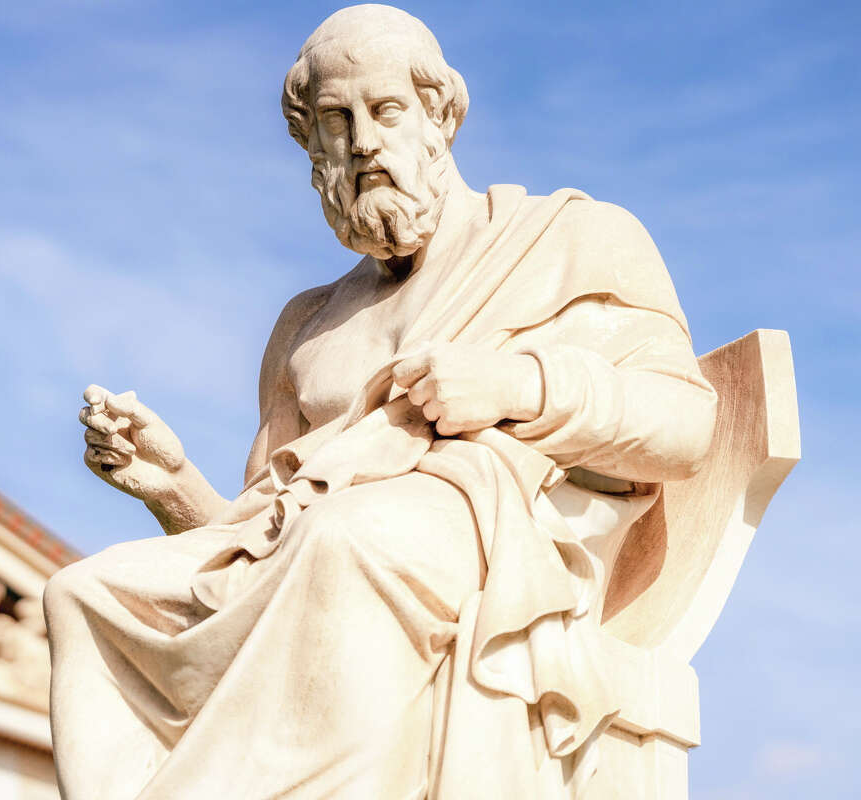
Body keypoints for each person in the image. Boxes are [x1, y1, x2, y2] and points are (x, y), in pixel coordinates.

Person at [45, 5, 717, 798]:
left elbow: (684, 425)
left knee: (344, 542)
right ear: (312, 147)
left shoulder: (569, 240)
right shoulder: (306, 324)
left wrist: (516, 384)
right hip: (334, 537)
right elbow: (261, 534)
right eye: (335, 120)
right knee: (86, 593)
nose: (363, 142)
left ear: (440, 117)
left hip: (487, 525)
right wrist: (175, 483)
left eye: (385, 110)